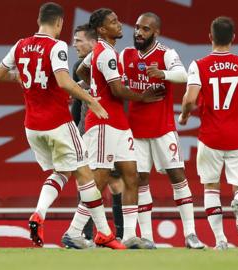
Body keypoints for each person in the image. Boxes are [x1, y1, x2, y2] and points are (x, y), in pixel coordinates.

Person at [0, 2, 124, 249]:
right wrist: (91, 101)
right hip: (57, 123)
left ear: (39, 20)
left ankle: (39, 213)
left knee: (63, 172)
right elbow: (64, 81)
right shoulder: (56, 46)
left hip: (32, 126)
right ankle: (104, 232)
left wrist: (21, 78)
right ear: (60, 23)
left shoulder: (20, 45)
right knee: (85, 175)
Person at [64, 8, 165, 249]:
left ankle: (129, 235)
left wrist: (94, 88)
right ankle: (73, 231)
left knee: (132, 176)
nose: (119, 25)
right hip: (103, 125)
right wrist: (144, 95)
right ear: (101, 30)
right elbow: (119, 90)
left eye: (117, 20)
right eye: (113, 22)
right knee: (99, 180)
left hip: (118, 124)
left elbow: (80, 69)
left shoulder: (104, 51)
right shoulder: (106, 54)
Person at [179, 16, 238, 250]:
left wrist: (185, 115)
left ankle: (221, 240)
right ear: (233, 39)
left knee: (210, 187)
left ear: (210, 37)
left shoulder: (199, 65)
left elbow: (189, 100)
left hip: (210, 137)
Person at [120, 12, 204, 249]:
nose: (138, 32)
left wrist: (163, 74)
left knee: (177, 176)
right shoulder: (126, 54)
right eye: (137, 27)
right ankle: (147, 237)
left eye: (145, 29)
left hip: (163, 129)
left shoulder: (166, 53)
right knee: (140, 180)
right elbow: (115, 81)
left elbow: (183, 75)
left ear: (155, 32)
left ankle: (190, 234)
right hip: (135, 130)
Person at [68, 23, 125, 243]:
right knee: (86, 182)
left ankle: (118, 234)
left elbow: (118, 97)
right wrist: (74, 133)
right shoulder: (78, 66)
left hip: (110, 127)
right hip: (87, 129)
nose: (75, 45)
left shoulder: (110, 59)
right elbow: (76, 104)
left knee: (116, 183)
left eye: (79, 41)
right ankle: (86, 235)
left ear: (93, 42)